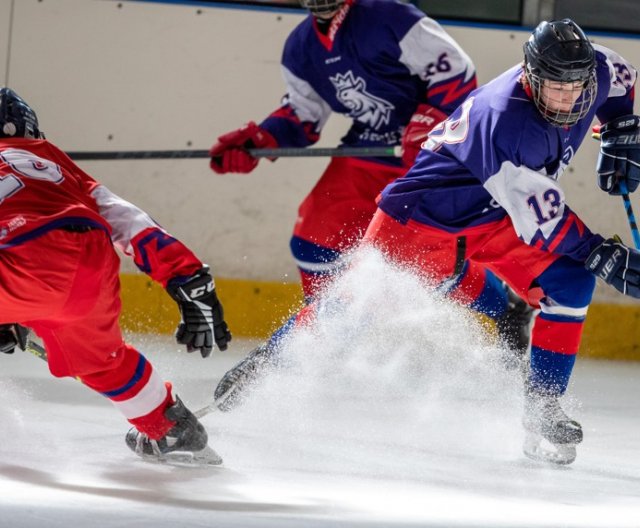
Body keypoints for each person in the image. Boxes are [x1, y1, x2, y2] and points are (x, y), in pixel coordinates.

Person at [214, 19, 640, 465]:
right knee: (351, 311)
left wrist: (620, 129)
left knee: (570, 284)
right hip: (420, 220)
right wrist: (598, 250)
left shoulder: (595, 71)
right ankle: (265, 363)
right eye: (555, 88)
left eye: (577, 86)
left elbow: (622, 78)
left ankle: (542, 407)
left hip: (495, 213)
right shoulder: (503, 121)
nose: (568, 99)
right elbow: (544, 220)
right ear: (530, 75)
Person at [209, 0, 533, 362]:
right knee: (313, 240)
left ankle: (506, 308)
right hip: (370, 145)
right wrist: (260, 140)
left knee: (425, 256)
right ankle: (326, 339)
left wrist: (433, 121)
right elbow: (302, 115)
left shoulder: (390, 15)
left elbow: (455, 72)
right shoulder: (301, 47)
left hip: (431, 150)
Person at [0, 88, 232, 466]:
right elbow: (129, 220)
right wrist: (186, 278)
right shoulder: (58, 165)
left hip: (22, 255)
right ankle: (170, 427)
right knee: (101, 362)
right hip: (91, 260)